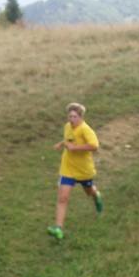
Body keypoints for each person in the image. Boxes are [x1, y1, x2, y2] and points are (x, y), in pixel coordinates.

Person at [47, 102, 103, 240]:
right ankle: (58, 228)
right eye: (70, 116)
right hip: (68, 169)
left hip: (83, 170)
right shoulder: (67, 126)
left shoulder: (85, 129)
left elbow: (94, 146)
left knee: (89, 192)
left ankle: (96, 195)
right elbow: (68, 140)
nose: (72, 119)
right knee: (62, 198)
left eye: (75, 117)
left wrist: (75, 148)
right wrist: (61, 144)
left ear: (81, 117)